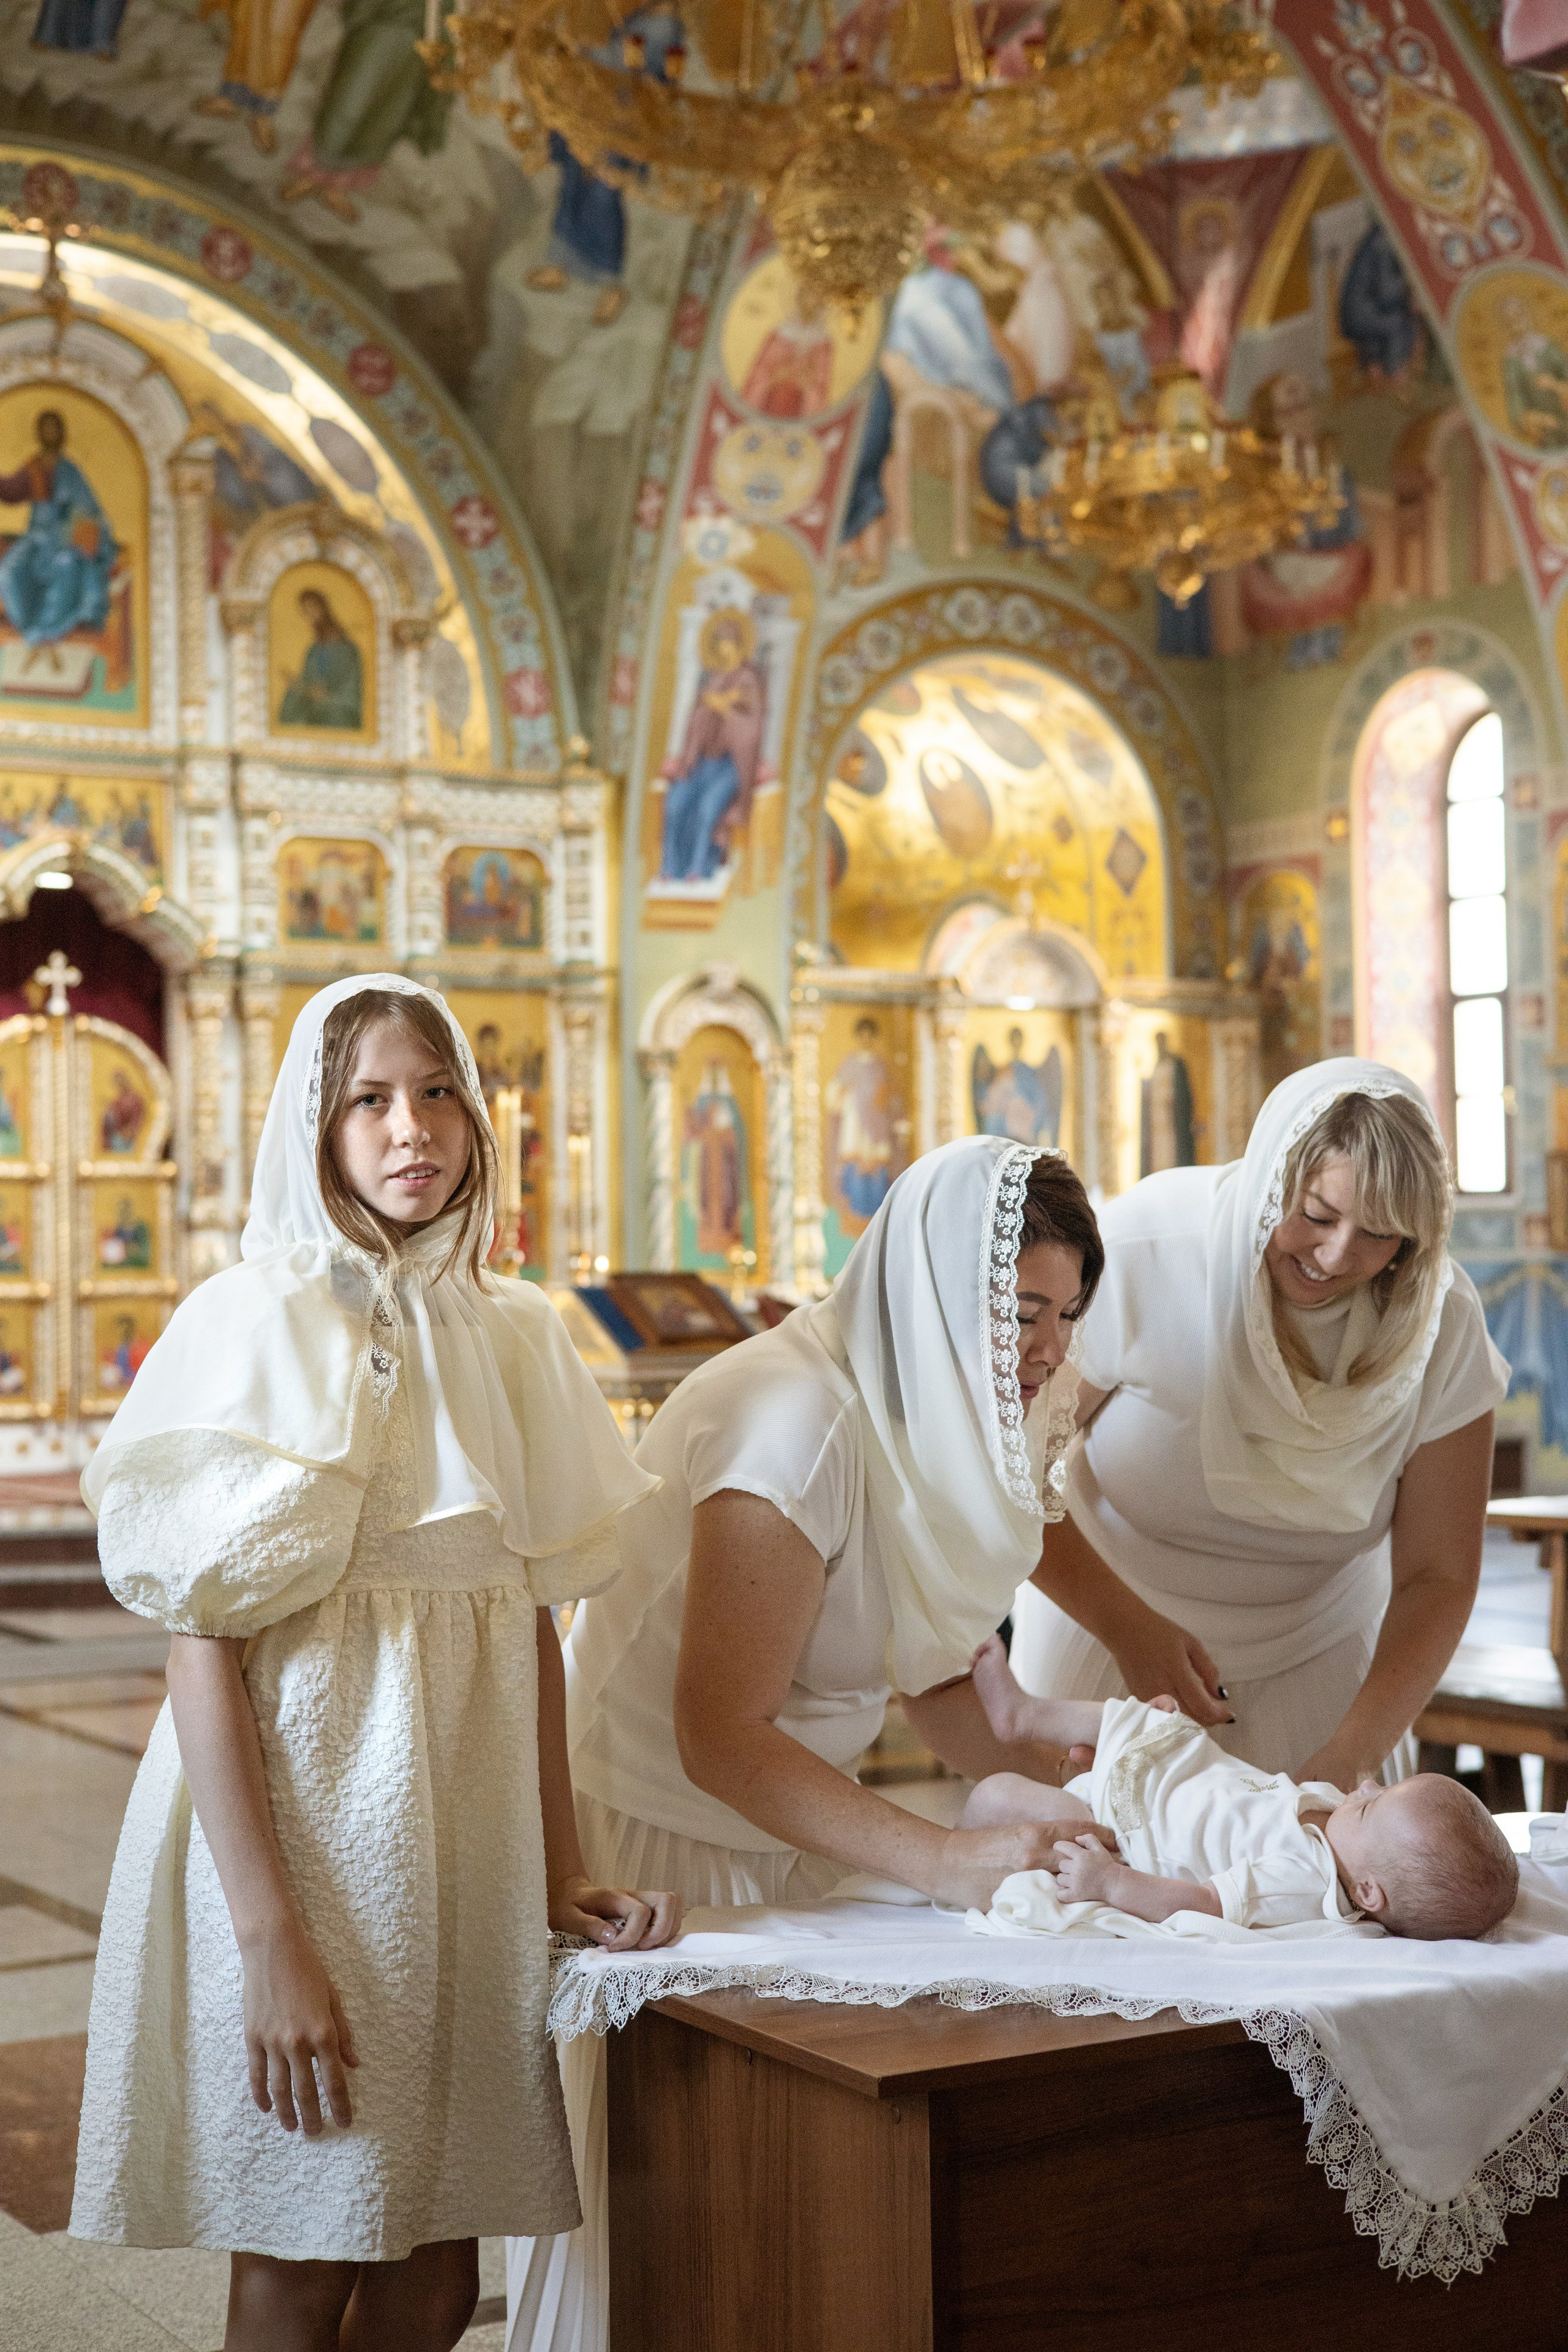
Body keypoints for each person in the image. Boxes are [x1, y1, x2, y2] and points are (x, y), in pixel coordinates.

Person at [71, 975, 680, 2352]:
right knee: (304, 2242)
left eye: (436, 1091)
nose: (411, 1128)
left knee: (437, 2254)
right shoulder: (255, 1317)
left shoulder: (513, 1331)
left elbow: (526, 1621)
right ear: (317, 1126)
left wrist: (561, 1863)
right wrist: (269, 1936)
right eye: (369, 1100)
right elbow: (202, 1645)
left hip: (461, 1843)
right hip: (298, 1843)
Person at [507, 1138, 1117, 2350]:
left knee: (778, 2224)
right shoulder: (794, 1426)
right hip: (663, 1847)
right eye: (1021, 1311)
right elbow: (718, 1735)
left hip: (790, 1824)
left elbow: (919, 1662)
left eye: (1068, 1315)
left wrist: (1025, 1776)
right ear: (939, 1290)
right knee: (668, 2237)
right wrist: (937, 1860)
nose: (1046, 1349)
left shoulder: (922, 1403)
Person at [1009, 1060, 1510, 1795]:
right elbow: (1009, 1467)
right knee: (1085, 1878)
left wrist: (1351, 1754)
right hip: (1106, 1619)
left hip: (1319, 1650)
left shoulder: (1443, 1325)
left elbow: (1438, 1576)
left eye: (1378, 1233)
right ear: (1274, 1173)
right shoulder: (1145, 1251)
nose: (1336, 1256)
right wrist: (1127, 1628)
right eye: (1315, 1213)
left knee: (1323, 1891)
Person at [963, 1659, 1519, 1940]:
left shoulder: (1305, 1882)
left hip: (1138, 1832)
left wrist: (1109, 1882)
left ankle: (973, 1830)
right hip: (1178, 1778)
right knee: (1148, 1722)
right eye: (1382, 1786)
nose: (1366, 1786)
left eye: (1373, 1804)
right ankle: (1024, 1715)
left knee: (1002, 1800)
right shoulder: (1340, 1824)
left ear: (1369, 1892)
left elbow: (1206, 1902)